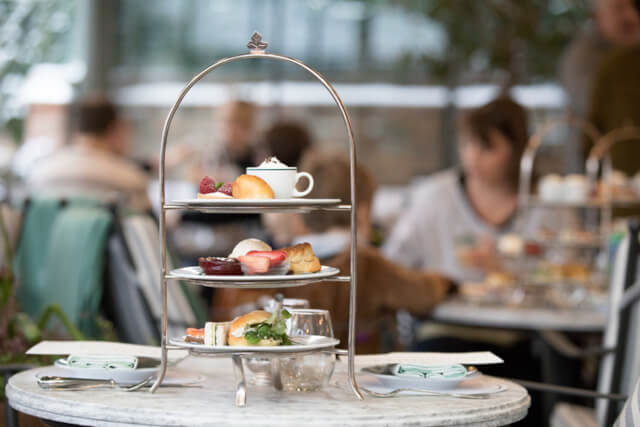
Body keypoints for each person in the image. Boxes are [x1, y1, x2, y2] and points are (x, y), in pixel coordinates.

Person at [212, 152, 453, 354]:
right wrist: (448, 282)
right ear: (363, 212)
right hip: (358, 375)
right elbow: (422, 295)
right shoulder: (365, 263)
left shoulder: (277, 264)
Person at [383, 97, 529, 284]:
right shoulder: (434, 197)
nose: (473, 156)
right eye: (468, 144)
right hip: (437, 312)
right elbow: (392, 265)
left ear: (516, 150)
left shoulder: (543, 206)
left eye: (487, 147)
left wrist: (505, 270)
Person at [26, 95, 149, 209]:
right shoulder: (131, 180)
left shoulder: (40, 172)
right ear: (114, 129)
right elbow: (147, 228)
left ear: (77, 126)